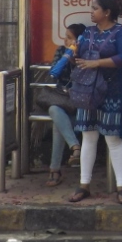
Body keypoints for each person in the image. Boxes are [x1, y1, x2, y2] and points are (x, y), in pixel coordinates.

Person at [68, 0, 122, 205]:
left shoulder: (121, 32)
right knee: (88, 136)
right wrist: (74, 52)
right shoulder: (87, 33)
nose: (91, 12)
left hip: (110, 90)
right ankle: (83, 185)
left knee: (113, 139)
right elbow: (80, 57)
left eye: (94, 8)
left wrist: (97, 63)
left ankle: (121, 187)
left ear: (107, 12)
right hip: (87, 90)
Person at [41, 23, 86, 188]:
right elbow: (54, 74)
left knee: (58, 124)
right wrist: (66, 57)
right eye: (65, 37)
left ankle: (55, 170)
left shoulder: (86, 54)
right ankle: (75, 146)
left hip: (80, 103)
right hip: (62, 100)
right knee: (54, 111)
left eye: (70, 38)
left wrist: (76, 58)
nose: (66, 41)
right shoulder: (61, 51)